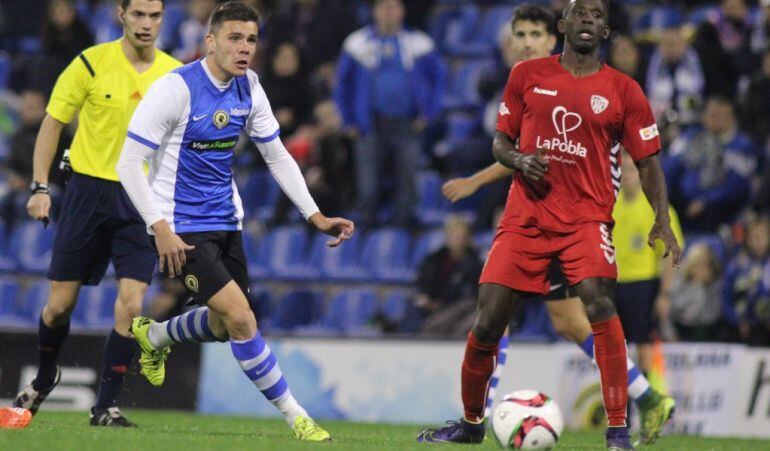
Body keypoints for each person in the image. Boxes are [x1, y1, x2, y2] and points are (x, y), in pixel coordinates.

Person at [417, 1, 682, 449]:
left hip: (586, 221)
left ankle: (618, 431)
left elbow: (648, 162)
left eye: (597, 15)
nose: (588, 20)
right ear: (563, 25)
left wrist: (662, 218)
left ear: (606, 31)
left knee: (597, 304)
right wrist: (520, 159)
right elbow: (501, 142)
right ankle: (471, 424)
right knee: (489, 320)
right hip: (526, 219)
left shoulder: (624, 90)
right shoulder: (526, 76)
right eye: (579, 13)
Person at [115, 1, 354, 441]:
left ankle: (156, 336)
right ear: (210, 42)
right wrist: (159, 227)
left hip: (227, 220)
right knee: (243, 319)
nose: (244, 48)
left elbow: (276, 154)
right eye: (234, 38)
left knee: (224, 325)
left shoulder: (250, 87)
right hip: (180, 226)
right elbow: (128, 163)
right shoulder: (176, 89)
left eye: (251, 40)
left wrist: (314, 214)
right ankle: (297, 417)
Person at [10, 0, 180, 428]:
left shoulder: (176, 76)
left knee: (132, 305)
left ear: (163, 19)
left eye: (154, 16)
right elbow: (52, 123)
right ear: (121, 15)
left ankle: (105, 406)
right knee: (58, 307)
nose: (146, 23)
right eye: (138, 14)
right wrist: (40, 187)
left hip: (141, 199)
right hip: (87, 193)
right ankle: (45, 377)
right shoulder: (89, 63)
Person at [334, 0, 445, 228]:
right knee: (368, 187)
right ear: (374, 12)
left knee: (407, 184)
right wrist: (348, 120)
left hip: (407, 124)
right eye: (384, 8)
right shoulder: (356, 44)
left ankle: (400, 235)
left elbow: (439, 81)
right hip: (369, 125)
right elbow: (342, 85)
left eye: (394, 7)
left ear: (402, 11)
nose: (389, 13)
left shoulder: (420, 43)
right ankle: (365, 235)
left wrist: (429, 114)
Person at [613, 153, 683, 374]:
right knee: (615, 343)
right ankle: (621, 389)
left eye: (631, 171)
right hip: (613, 283)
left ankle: (647, 386)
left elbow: (669, 254)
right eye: (622, 171)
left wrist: (664, 293)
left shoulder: (656, 208)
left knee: (643, 340)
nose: (626, 176)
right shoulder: (610, 203)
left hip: (643, 284)